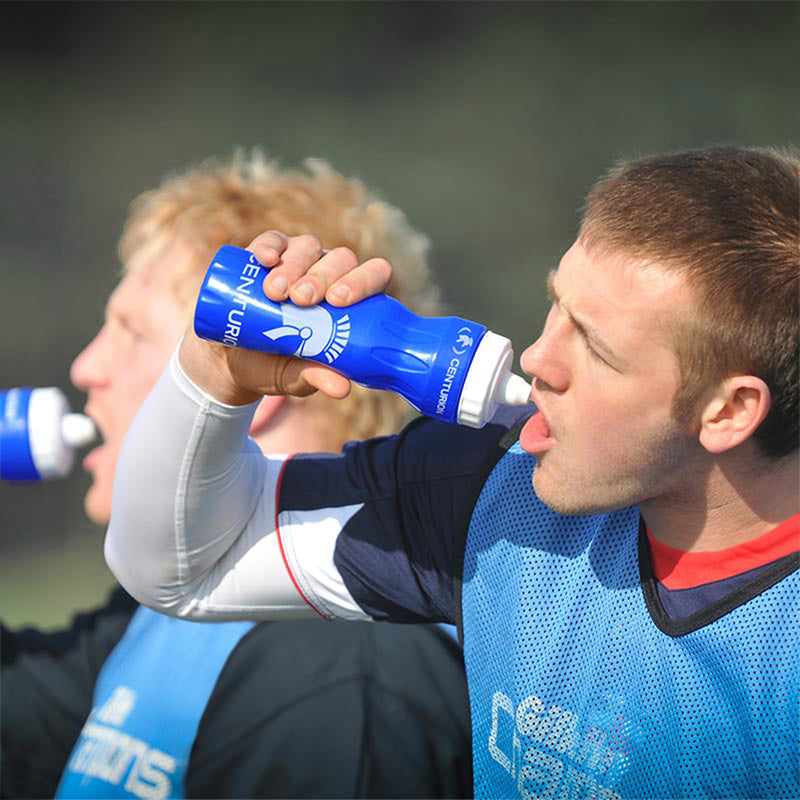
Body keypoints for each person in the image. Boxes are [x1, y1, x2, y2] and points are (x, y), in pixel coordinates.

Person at [106, 145, 799, 800]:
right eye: (558, 304)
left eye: (596, 348)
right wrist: (213, 378)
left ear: (729, 411)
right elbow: (185, 568)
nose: (537, 358)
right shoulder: (500, 484)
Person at [0, 152, 473, 800]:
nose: (86, 368)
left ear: (256, 369)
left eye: (130, 333)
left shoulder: (350, 669)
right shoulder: (172, 608)